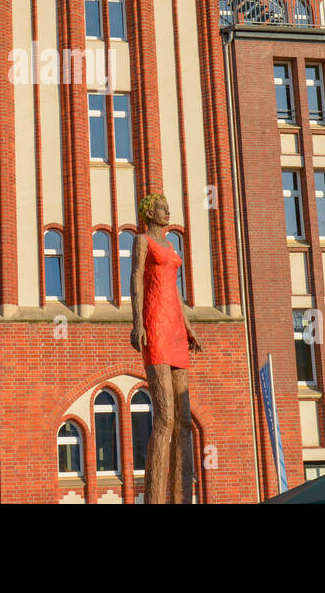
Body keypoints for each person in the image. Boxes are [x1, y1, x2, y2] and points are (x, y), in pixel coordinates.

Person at [129, 193, 202, 503]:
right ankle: (155, 498)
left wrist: (188, 327)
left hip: (174, 325)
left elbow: (174, 289)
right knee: (165, 417)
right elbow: (136, 280)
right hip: (155, 323)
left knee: (184, 418)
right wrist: (137, 323)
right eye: (162, 207)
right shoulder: (142, 242)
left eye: (167, 207)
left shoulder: (172, 247)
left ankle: (183, 497)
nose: (167, 210)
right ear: (149, 212)